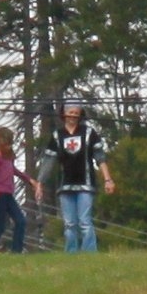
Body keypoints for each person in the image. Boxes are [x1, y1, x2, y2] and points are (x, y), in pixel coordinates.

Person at [36, 101, 115, 253]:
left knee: (85, 222)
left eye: (76, 113)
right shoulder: (57, 135)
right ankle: (71, 253)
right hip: (65, 185)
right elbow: (49, 162)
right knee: (69, 223)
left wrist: (108, 179)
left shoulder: (89, 133)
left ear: (80, 115)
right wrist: (40, 183)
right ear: (64, 114)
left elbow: (100, 158)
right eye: (70, 113)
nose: (73, 116)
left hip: (86, 184)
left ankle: (89, 254)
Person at [0, 127, 41, 254]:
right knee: (0, 226)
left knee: (20, 221)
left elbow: (13, 170)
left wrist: (29, 180)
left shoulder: (8, 157)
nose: (9, 146)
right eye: (7, 143)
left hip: (8, 194)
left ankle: (16, 250)